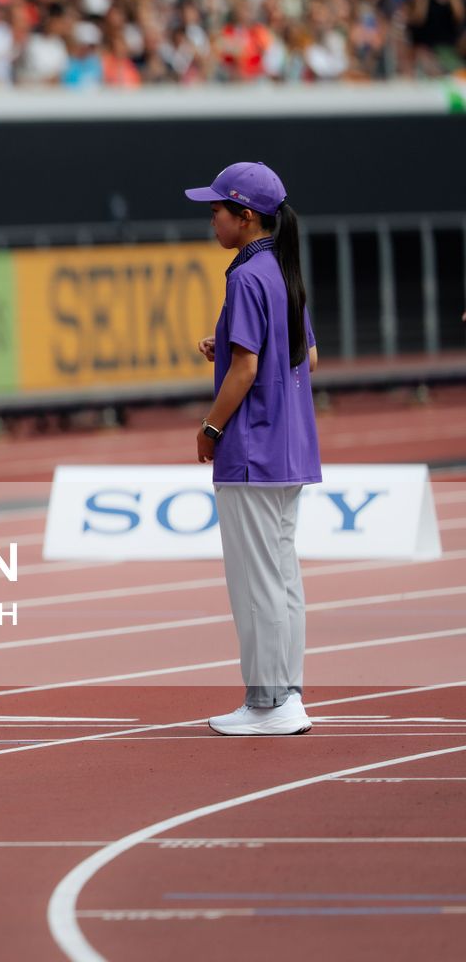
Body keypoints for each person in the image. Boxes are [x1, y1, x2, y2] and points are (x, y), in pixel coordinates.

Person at [185, 161, 320, 736]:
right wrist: (236, 346)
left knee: (256, 581)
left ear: (245, 217)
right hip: (291, 447)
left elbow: (246, 369)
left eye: (217, 210)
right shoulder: (283, 270)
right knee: (283, 576)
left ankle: (268, 704)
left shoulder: (244, 276)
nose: (211, 218)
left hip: (252, 449)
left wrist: (212, 428)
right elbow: (306, 357)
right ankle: (285, 694)